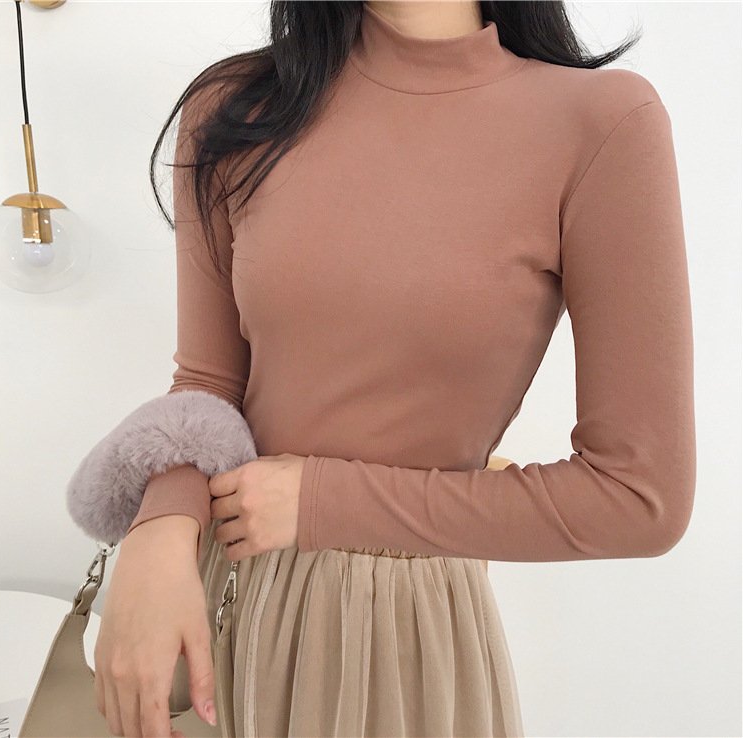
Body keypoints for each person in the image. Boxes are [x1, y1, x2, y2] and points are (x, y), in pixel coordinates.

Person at [80, 1, 696, 736]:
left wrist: (323, 500)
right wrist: (158, 530)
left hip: (400, 640)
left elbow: (638, 497)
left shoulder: (600, 122)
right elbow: (208, 384)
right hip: (226, 609)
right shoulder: (238, 106)